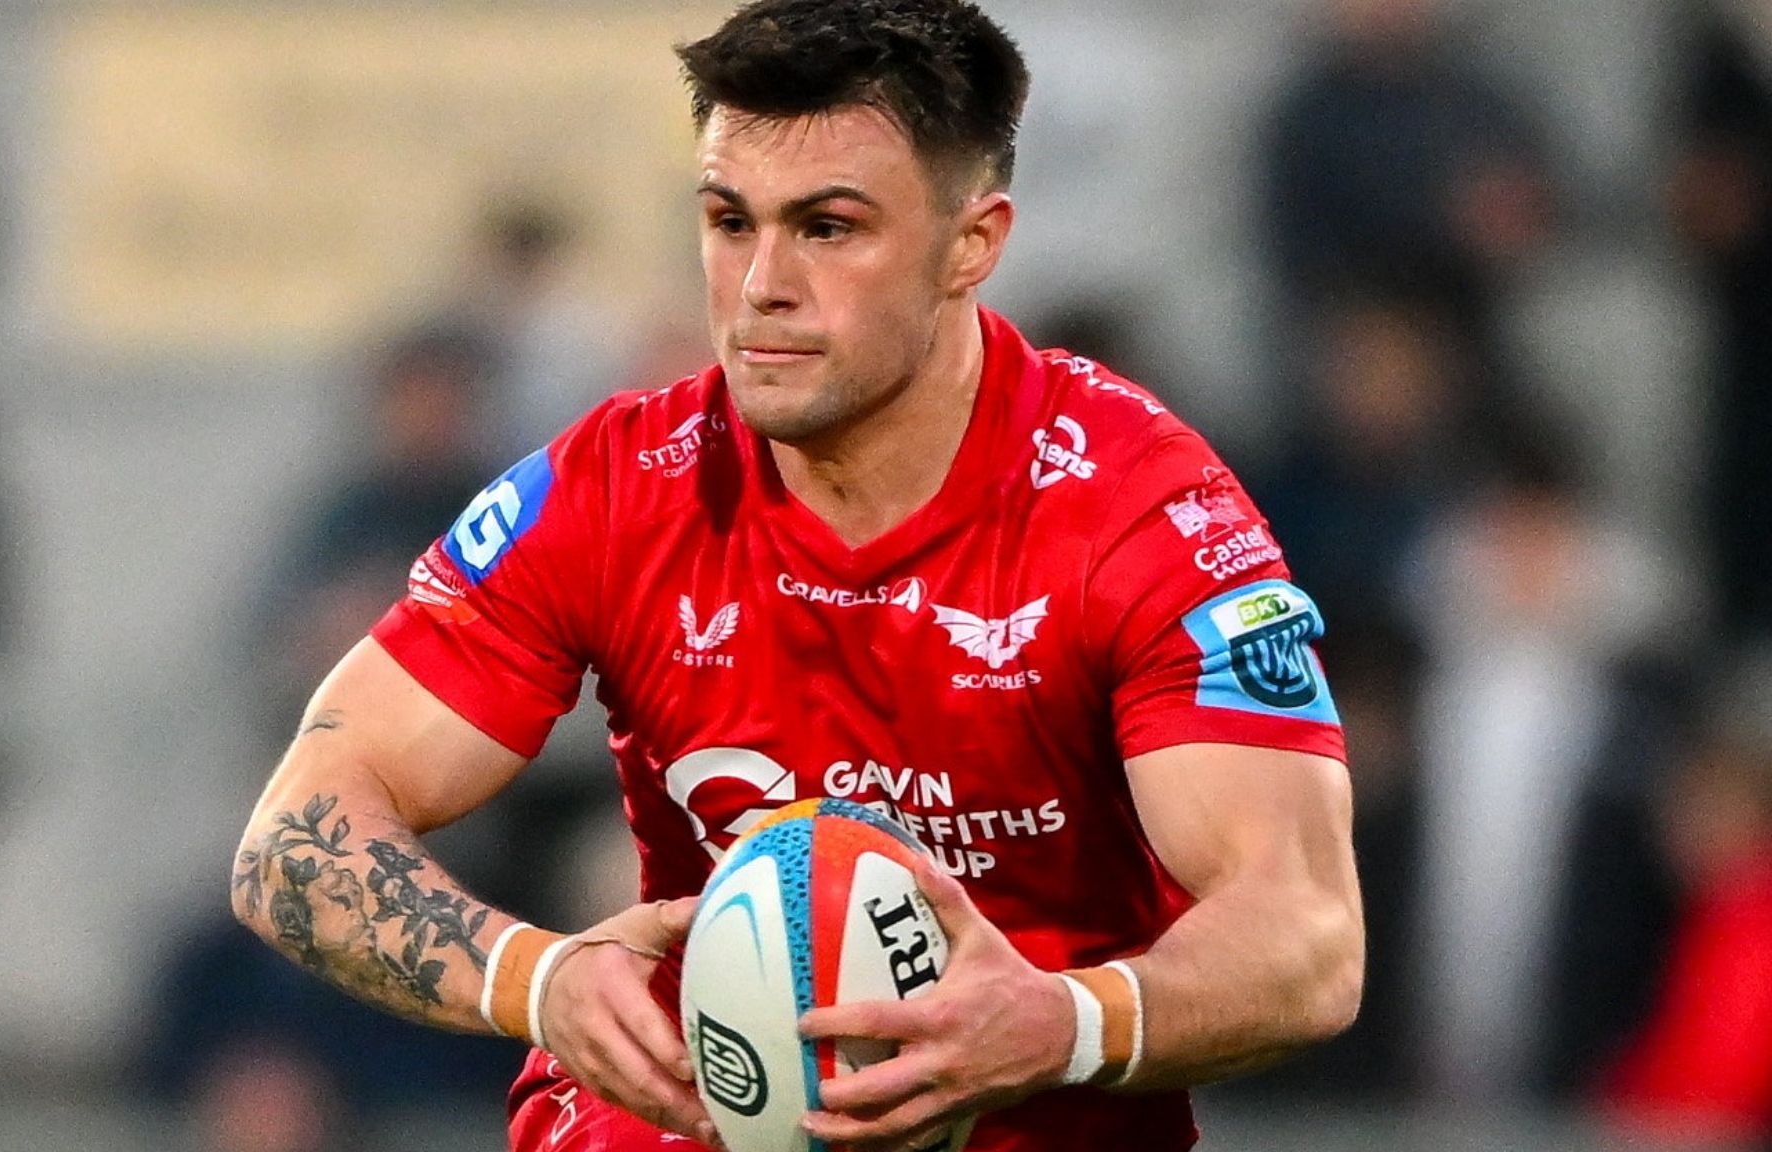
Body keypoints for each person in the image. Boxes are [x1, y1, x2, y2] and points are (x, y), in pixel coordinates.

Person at [232, 3, 1363, 1150]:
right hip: (682, 1118)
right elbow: (293, 837)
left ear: (970, 244)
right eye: (729, 221)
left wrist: (1063, 1021)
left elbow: (1307, 935)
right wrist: (533, 978)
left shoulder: (1139, 511)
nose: (761, 283)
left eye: (827, 228)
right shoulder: (615, 488)